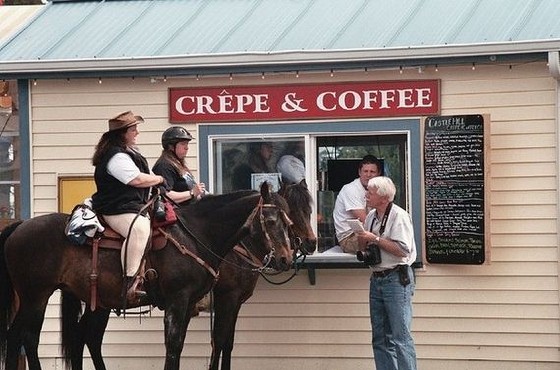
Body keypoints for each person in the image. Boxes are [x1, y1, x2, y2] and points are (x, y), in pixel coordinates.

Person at [91, 111, 166, 304]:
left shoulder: (131, 154)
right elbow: (136, 179)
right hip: (116, 209)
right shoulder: (116, 157)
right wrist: (159, 178)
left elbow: (145, 175)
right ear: (122, 133)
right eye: (133, 129)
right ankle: (130, 282)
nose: (137, 133)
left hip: (132, 206)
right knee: (139, 230)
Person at [357, 176, 417, 370]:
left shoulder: (399, 216)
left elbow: (402, 250)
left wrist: (374, 238)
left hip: (396, 278)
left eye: (370, 192)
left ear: (383, 198)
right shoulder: (372, 216)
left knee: (401, 337)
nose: (366, 195)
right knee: (380, 338)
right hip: (377, 278)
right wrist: (362, 237)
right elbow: (366, 248)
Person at [332, 155, 382, 253]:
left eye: (372, 172)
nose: (368, 175)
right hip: (349, 238)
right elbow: (366, 220)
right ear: (359, 172)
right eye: (365, 171)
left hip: (368, 232)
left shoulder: (376, 189)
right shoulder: (350, 189)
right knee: (383, 244)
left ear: (378, 174)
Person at [152, 126, 206, 203]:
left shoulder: (177, 164)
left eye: (187, 144)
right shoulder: (164, 166)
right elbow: (165, 196)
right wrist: (192, 193)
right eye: (183, 144)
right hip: (178, 213)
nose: (187, 148)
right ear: (171, 146)